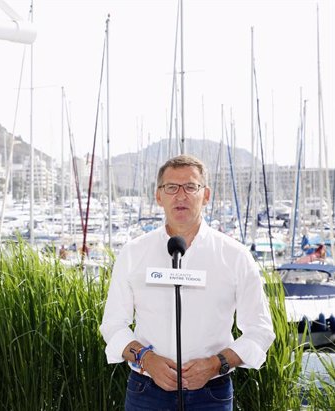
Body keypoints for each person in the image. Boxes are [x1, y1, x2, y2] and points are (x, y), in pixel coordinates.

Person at [100, 154, 275, 410]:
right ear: (159, 196)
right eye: (171, 187)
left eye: (191, 187)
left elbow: (260, 331)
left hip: (211, 394)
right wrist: (146, 359)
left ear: (206, 195)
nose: (180, 195)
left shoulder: (235, 256)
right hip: (146, 392)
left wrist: (216, 364)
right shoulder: (133, 253)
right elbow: (113, 325)